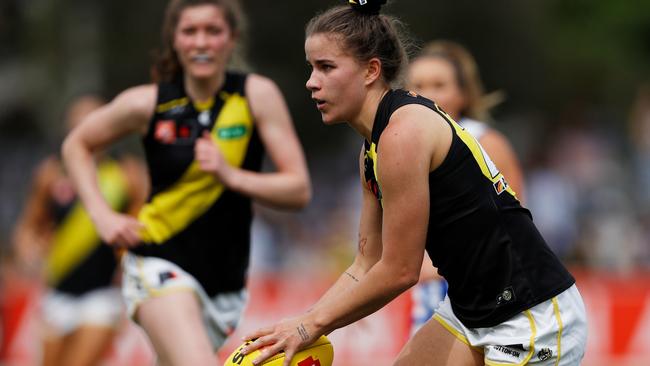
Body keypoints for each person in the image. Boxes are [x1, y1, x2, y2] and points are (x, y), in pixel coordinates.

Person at [240, 1, 587, 365]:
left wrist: (310, 325)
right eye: (312, 68)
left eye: (326, 67)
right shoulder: (371, 150)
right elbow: (365, 263)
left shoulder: (402, 133)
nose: (312, 81)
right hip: (473, 311)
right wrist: (304, 321)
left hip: (530, 315)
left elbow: (399, 270)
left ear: (371, 70)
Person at [61, 0, 312, 365]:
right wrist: (103, 216)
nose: (201, 42)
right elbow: (76, 145)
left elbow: (298, 190)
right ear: (174, 40)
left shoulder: (257, 95)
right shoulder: (148, 103)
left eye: (213, 31)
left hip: (224, 285)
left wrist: (231, 175)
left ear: (232, 39)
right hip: (157, 261)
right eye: (190, 31)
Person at [12, 95, 148, 366]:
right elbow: (30, 225)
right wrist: (29, 250)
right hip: (57, 294)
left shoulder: (127, 174)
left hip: (102, 295)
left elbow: (143, 225)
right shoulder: (51, 175)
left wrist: (132, 262)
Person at [405, 40, 527, 335]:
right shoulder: (403, 145)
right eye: (418, 84)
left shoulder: (486, 141)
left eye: (439, 84)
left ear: (462, 94)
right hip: (429, 290)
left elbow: (515, 221)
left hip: (482, 285)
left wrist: (437, 266)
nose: (427, 94)